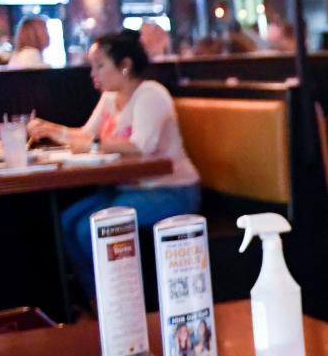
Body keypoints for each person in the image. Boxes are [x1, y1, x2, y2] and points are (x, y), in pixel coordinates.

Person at [27, 29, 200, 298]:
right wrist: (52, 130)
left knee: (88, 230)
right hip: (128, 189)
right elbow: (86, 134)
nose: (92, 73)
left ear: (125, 65)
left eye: (99, 65)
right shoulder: (110, 97)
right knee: (67, 222)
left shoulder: (150, 94)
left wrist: (93, 144)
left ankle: (123, 302)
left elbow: (142, 147)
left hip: (171, 190)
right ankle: (99, 301)